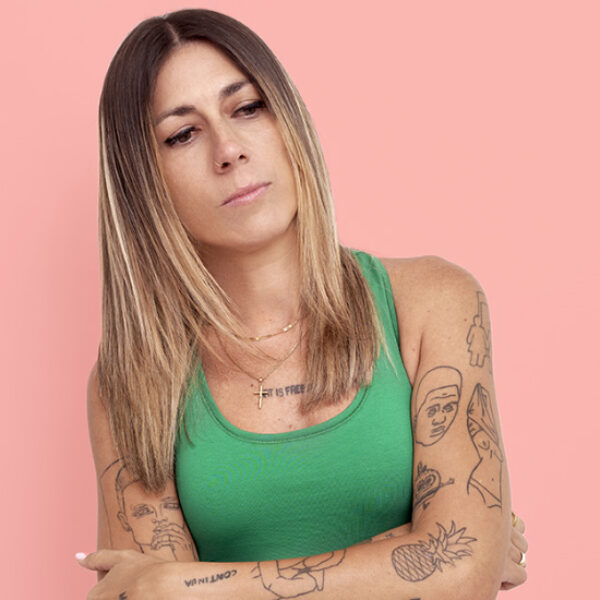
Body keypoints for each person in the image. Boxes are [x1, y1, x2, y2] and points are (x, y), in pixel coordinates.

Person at [77, 8, 528, 599]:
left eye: (247, 108)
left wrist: (193, 584)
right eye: (182, 134)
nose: (228, 150)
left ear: (288, 120)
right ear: (143, 181)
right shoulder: (133, 380)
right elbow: (145, 596)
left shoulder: (432, 301)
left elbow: (464, 574)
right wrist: (404, 557)